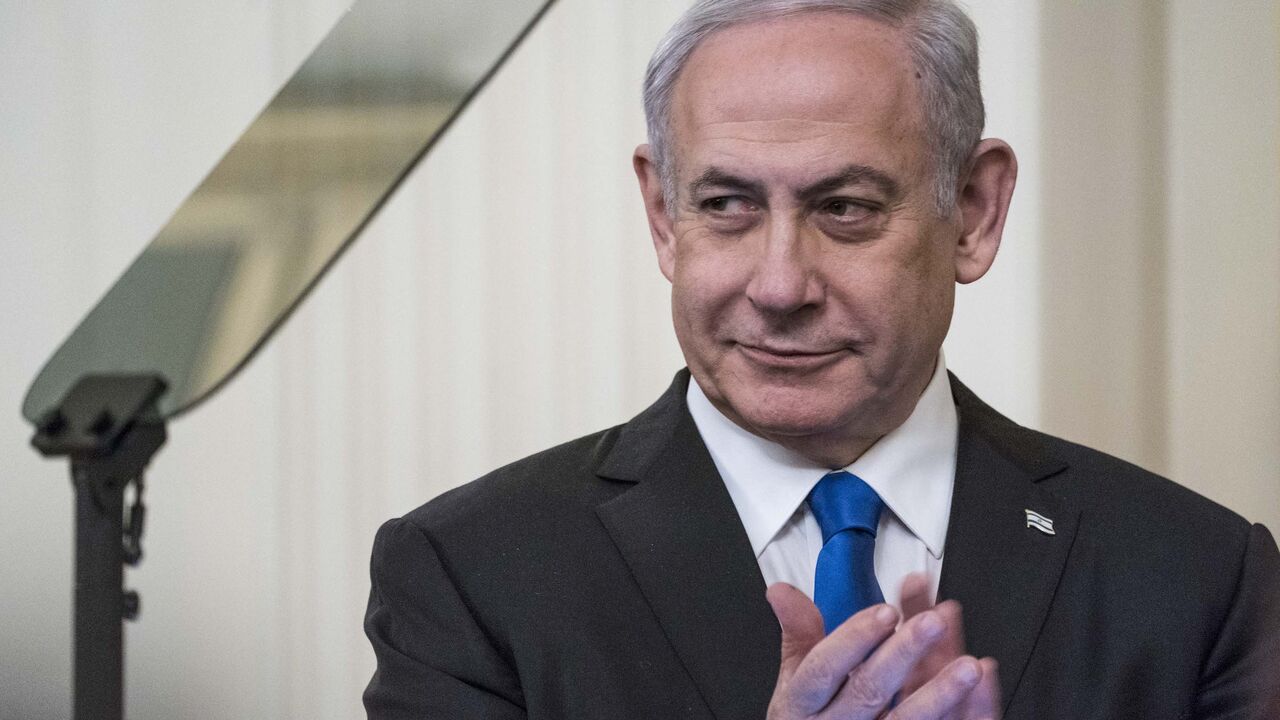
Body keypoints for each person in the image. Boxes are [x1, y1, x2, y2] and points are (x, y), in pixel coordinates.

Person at [363, 1, 1280, 718]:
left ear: (973, 211)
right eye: (725, 203)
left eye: (845, 207)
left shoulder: (1199, 577)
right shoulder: (473, 573)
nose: (778, 284)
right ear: (660, 215)